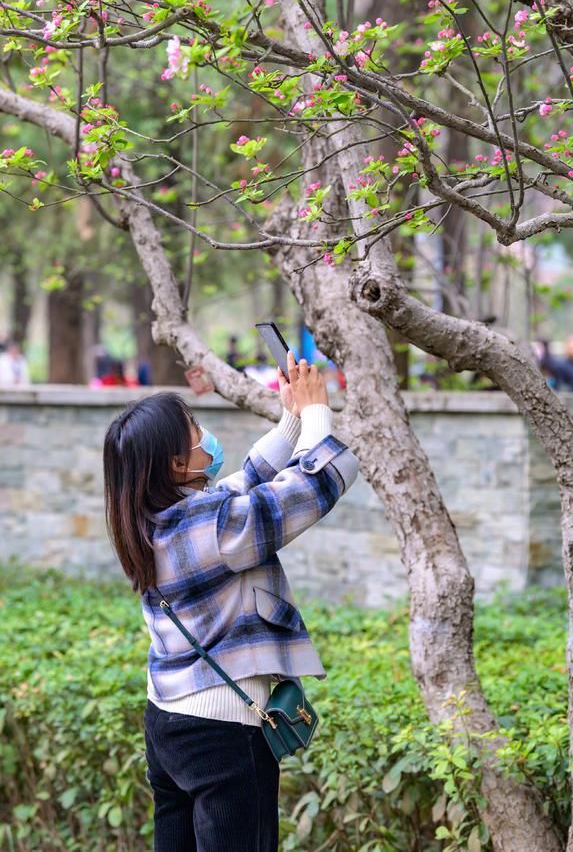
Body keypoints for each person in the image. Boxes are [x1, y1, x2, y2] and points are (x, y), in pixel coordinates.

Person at [103, 351, 358, 852]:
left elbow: (243, 483)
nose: (204, 435)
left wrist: (289, 419)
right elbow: (311, 488)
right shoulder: (213, 526)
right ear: (177, 462)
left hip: (167, 722)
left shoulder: (153, 520)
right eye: (194, 428)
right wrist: (317, 415)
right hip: (223, 731)